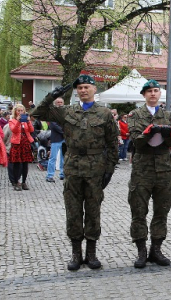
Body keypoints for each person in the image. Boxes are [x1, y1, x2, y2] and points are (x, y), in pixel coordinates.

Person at [31, 75, 119, 271]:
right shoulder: (67, 112)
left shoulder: (104, 114)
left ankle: (91, 253)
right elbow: (37, 114)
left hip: (96, 167)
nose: (83, 90)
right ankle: (76, 253)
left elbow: (113, 144)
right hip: (72, 167)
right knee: (73, 210)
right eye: (79, 88)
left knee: (93, 210)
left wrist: (110, 169)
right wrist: (51, 96)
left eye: (87, 87)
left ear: (94, 89)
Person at [127, 80, 171, 268]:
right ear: (144, 95)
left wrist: (168, 135)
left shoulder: (169, 116)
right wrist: (149, 132)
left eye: (156, 91)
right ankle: (141, 251)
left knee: (162, 211)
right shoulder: (135, 115)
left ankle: (156, 249)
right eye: (149, 91)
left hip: (164, 169)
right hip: (142, 169)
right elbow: (136, 142)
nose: (153, 94)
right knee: (138, 211)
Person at [8, 105, 35, 191]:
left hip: (25, 143)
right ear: (15, 112)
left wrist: (28, 121)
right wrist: (18, 121)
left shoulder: (25, 121)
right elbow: (14, 130)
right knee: (17, 164)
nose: (20, 112)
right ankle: (16, 182)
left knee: (25, 164)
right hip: (17, 144)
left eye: (21, 111)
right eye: (18, 111)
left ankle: (24, 182)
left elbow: (31, 130)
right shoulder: (12, 121)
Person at [46, 97, 66, 182]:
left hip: (65, 139)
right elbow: (53, 125)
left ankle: (62, 174)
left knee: (64, 158)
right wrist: (65, 131)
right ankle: (49, 175)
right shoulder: (51, 113)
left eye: (61, 102)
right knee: (53, 158)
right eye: (58, 102)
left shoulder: (65, 113)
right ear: (55, 103)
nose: (60, 103)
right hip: (56, 138)